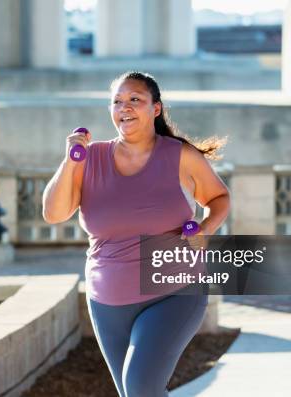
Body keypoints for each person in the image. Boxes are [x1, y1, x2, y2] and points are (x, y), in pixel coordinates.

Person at [42, 71, 230, 397]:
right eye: (117, 101)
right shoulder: (90, 158)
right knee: (136, 393)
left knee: (140, 387)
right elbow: (54, 214)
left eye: (135, 100)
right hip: (107, 300)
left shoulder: (179, 155)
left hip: (175, 291)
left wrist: (205, 228)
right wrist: (71, 161)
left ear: (155, 109)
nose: (124, 107)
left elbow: (219, 198)